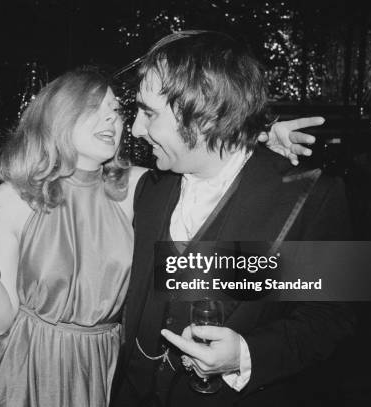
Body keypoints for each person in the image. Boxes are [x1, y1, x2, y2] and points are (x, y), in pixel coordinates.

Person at [0, 67, 321, 407]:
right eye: (94, 108)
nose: (114, 119)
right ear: (57, 115)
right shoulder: (15, 195)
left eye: (116, 111)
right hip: (34, 360)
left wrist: (258, 140)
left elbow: (208, 166)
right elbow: (3, 323)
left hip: (108, 362)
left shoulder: (138, 186)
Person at [110, 31, 354, 407]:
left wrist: (246, 353)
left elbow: (333, 316)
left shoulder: (308, 195)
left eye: (148, 113)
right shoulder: (151, 189)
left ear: (205, 112)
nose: (137, 129)